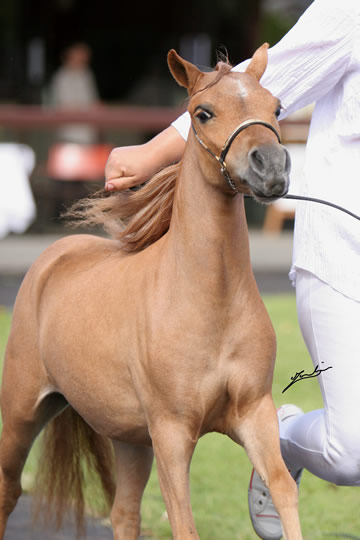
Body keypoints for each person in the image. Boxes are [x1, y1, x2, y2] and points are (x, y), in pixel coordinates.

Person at [105, 0, 360, 537]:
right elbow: (265, 80)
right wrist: (154, 152)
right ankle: (281, 437)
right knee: (351, 452)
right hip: (344, 258)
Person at [49, 42, 101, 144]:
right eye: (80, 54)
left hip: (89, 135)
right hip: (68, 135)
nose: (83, 59)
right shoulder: (61, 77)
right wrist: (91, 108)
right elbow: (65, 107)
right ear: (70, 55)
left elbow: (94, 102)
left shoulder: (86, 74)